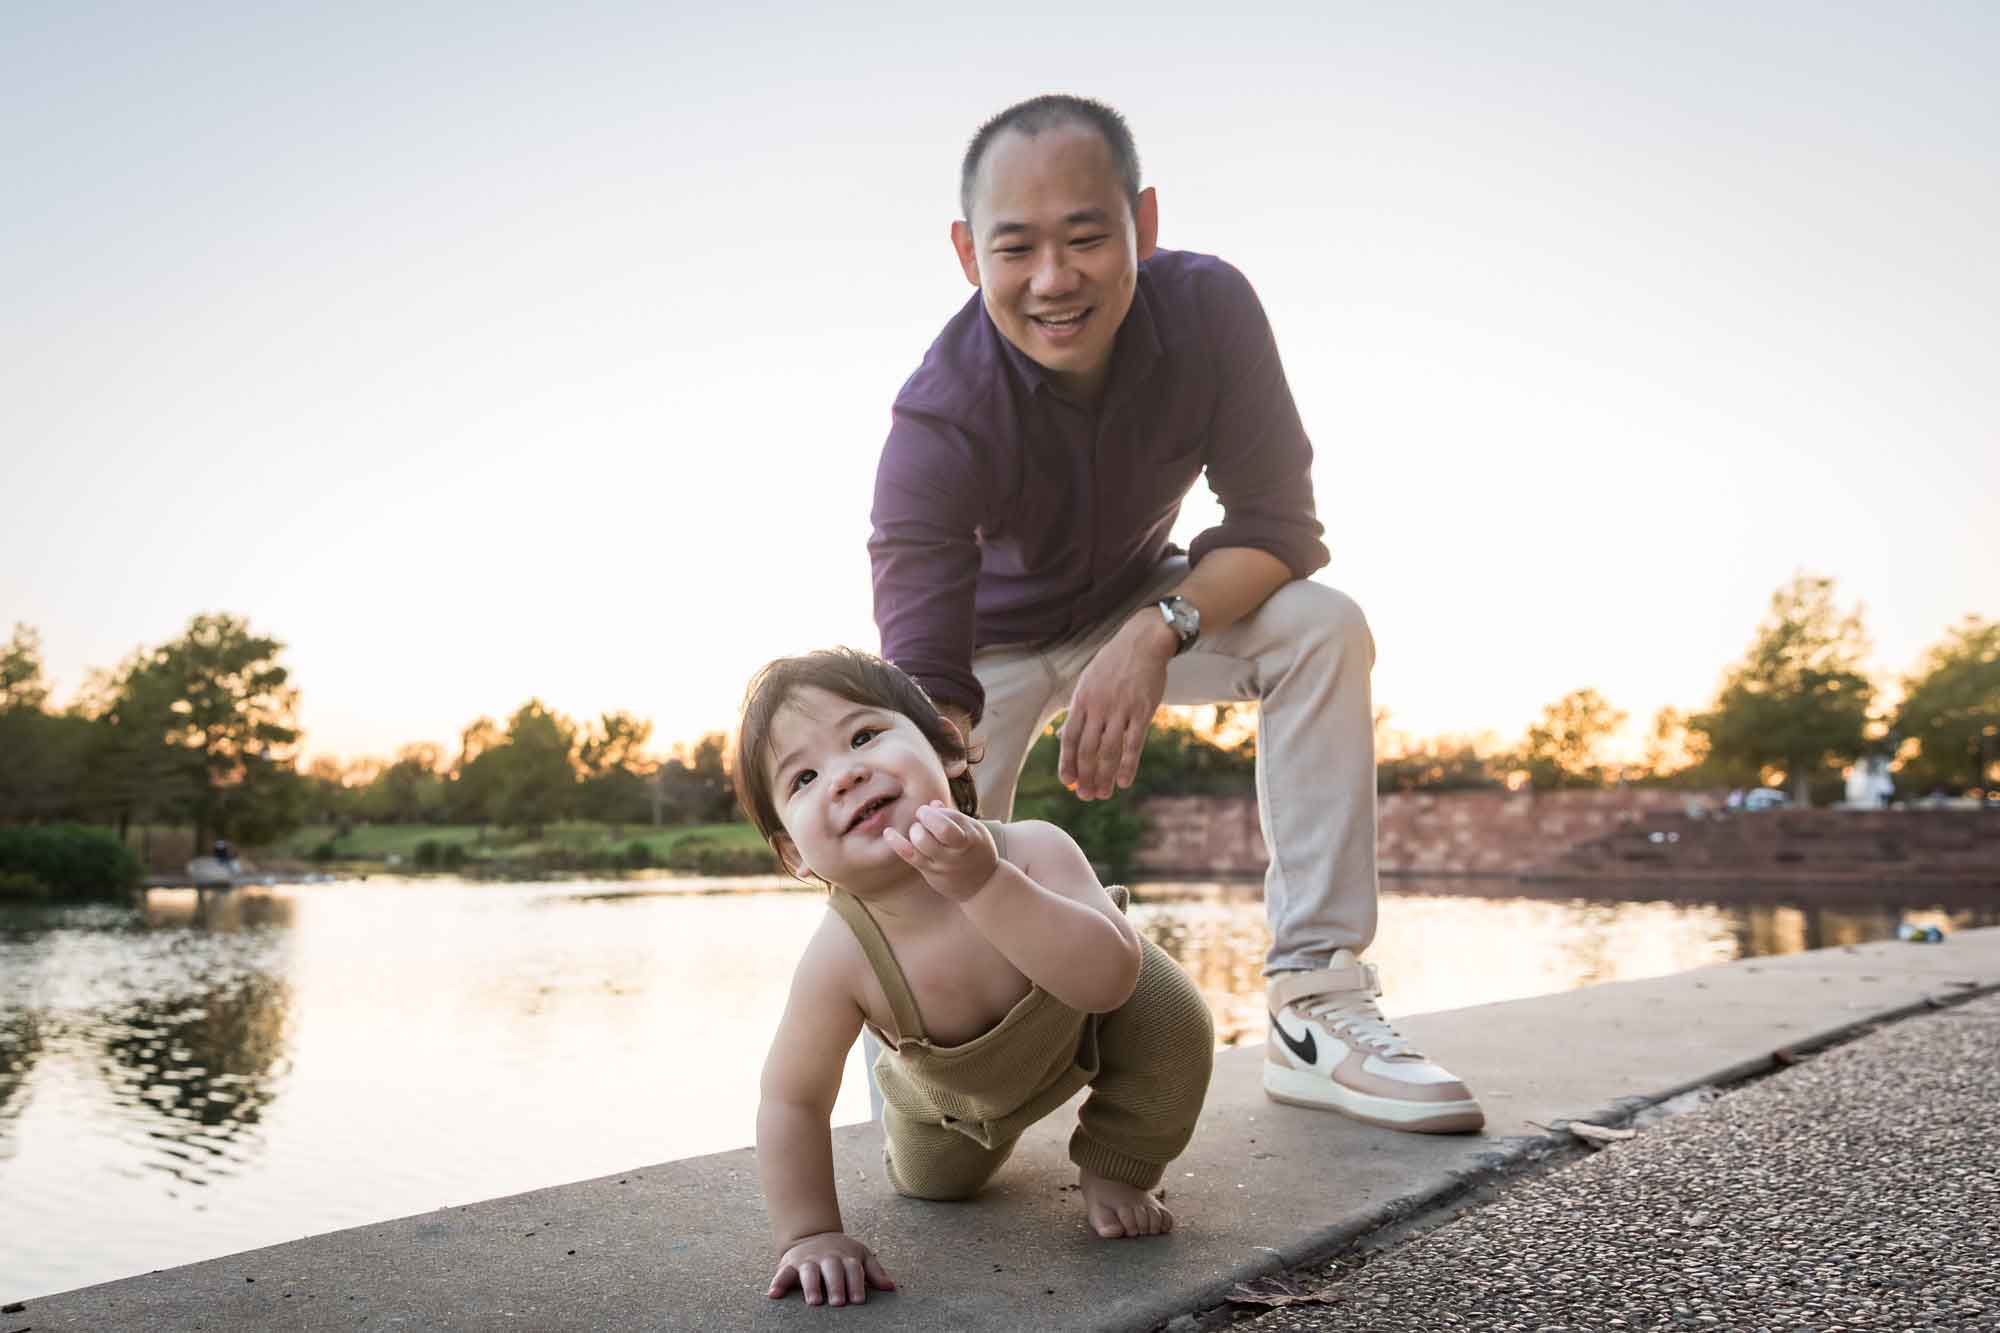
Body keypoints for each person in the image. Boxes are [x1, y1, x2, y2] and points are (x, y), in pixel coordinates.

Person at [869, 93, 1482, 1134]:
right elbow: (924, 668)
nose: (1053, 280)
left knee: (1321, 625)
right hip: (987, 647)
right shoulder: (937, 420)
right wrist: (948, 786)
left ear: (1141, 227)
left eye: (1085, 237)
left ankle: (1314, 1009)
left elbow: (1279, 526)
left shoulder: (1207, 312)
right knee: (927, 805)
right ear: (969, 254)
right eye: (1016, 248)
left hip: (1137, 596)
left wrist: (1155, 634)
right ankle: (920, 1065)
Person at [735, 649, 1214, 1308]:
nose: (845, 775)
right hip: (952, 1107)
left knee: (1169, 1010)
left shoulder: (1034, 848)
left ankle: (1117, 1166)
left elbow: (1110, 980)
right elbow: (792, 1098)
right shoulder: (841, 952)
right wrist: (810, 1233)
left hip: (1087, 1026)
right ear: (794, 853)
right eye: (806, 776)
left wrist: (986, 883)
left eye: (864, 736)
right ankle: (933, 1154)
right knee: (934, 1186)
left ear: (947, 749)